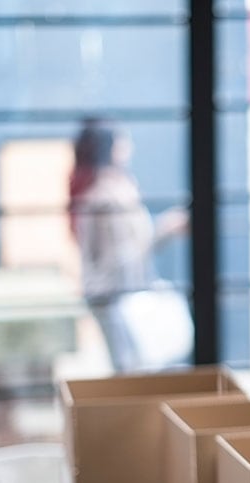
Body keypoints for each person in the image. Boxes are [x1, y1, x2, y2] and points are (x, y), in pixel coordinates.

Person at [68, 118, 190, 372]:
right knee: (131, 371)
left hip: (119, 295)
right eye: (122, 140)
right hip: (115, 298)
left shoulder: (114, 188)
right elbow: (120, 258)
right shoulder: (104, 197)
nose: (128, 146)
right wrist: (164, 230)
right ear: (109, 148)